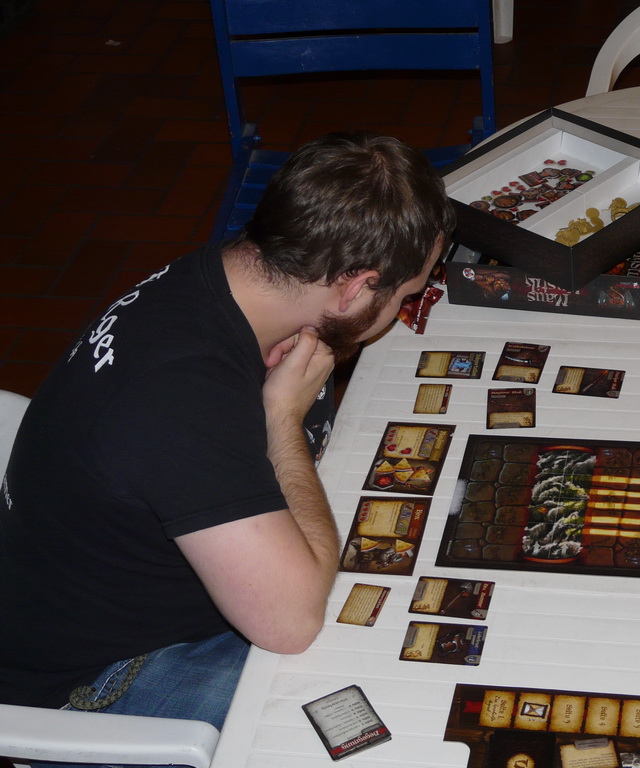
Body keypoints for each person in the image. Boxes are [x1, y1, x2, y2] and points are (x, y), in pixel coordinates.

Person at [0, 133, 455, 733]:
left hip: (133, 601)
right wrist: (281, 421)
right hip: (98, 680)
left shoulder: (233, 275)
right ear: (353, 288)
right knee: (397, 710)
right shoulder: (179, 399)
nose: (402, 311)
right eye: (405, 295)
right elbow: (290, 624)